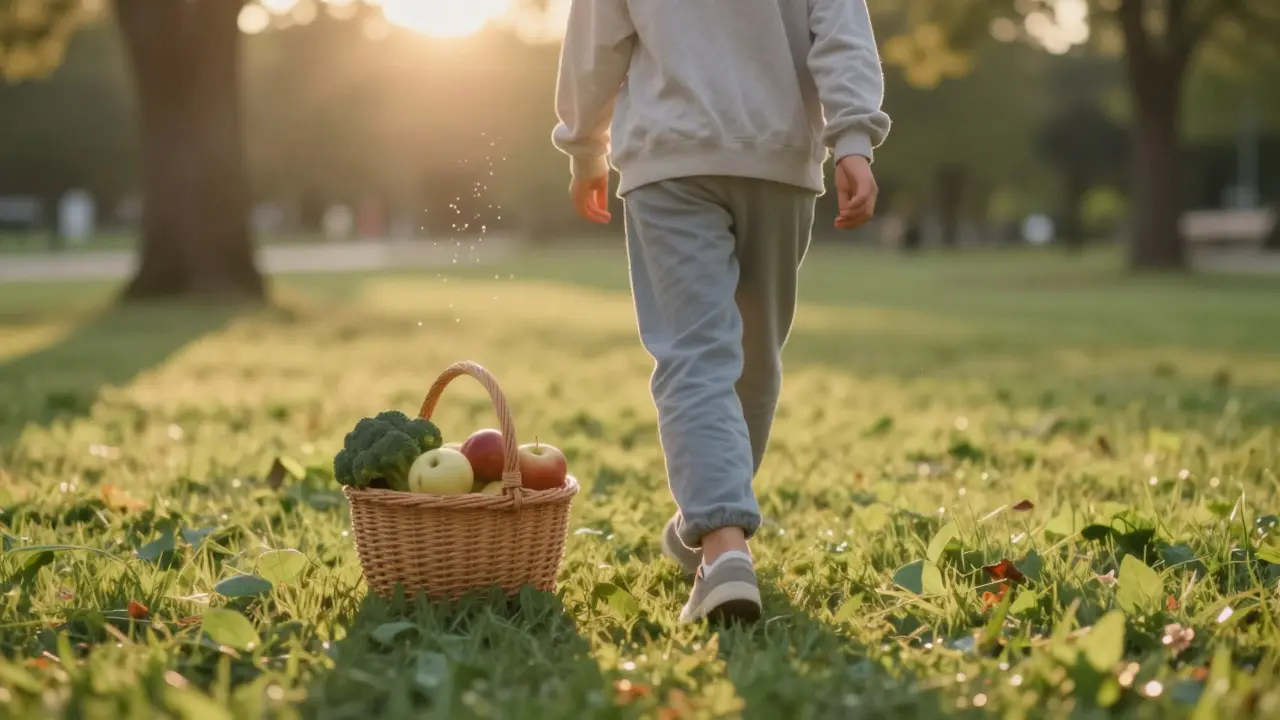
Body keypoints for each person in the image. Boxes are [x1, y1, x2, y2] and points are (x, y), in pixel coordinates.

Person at [551, 0, 891, 624]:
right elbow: (841, 32)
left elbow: (595, 43)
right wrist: (852, 139)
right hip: (778, 159)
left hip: (669, 156)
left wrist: (583, 146)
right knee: (751, 364)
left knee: (698, 354)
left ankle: (716, 537)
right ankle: (721, 540)